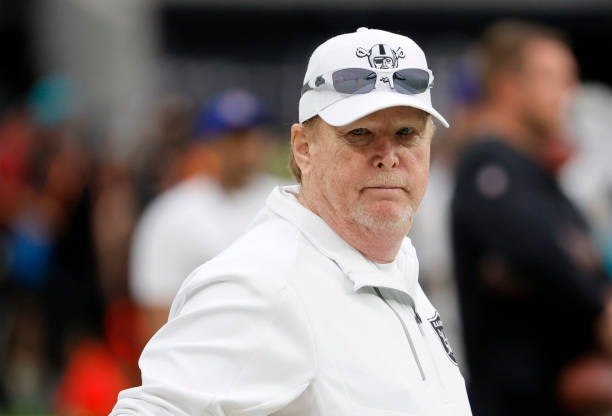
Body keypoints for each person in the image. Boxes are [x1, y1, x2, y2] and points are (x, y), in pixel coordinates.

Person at [112, 27, 473, 415]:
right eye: (360, 134)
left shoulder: (391, 259)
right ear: (304, 149)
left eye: (407, 133)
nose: (388, 155)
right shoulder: (264, 284)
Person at [450, 20, 612, 416]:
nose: (568, 94)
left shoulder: (540, 177)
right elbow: (549, 259)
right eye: (555, 78)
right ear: (509, 86)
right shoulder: (489, 169)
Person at [129, 88, 284, 343]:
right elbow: (156, 307)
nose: (245, 149)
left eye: (253, 136)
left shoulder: (289, 197)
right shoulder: (172, 212)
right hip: (206, 355)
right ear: (207, 144)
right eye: (233, 139)